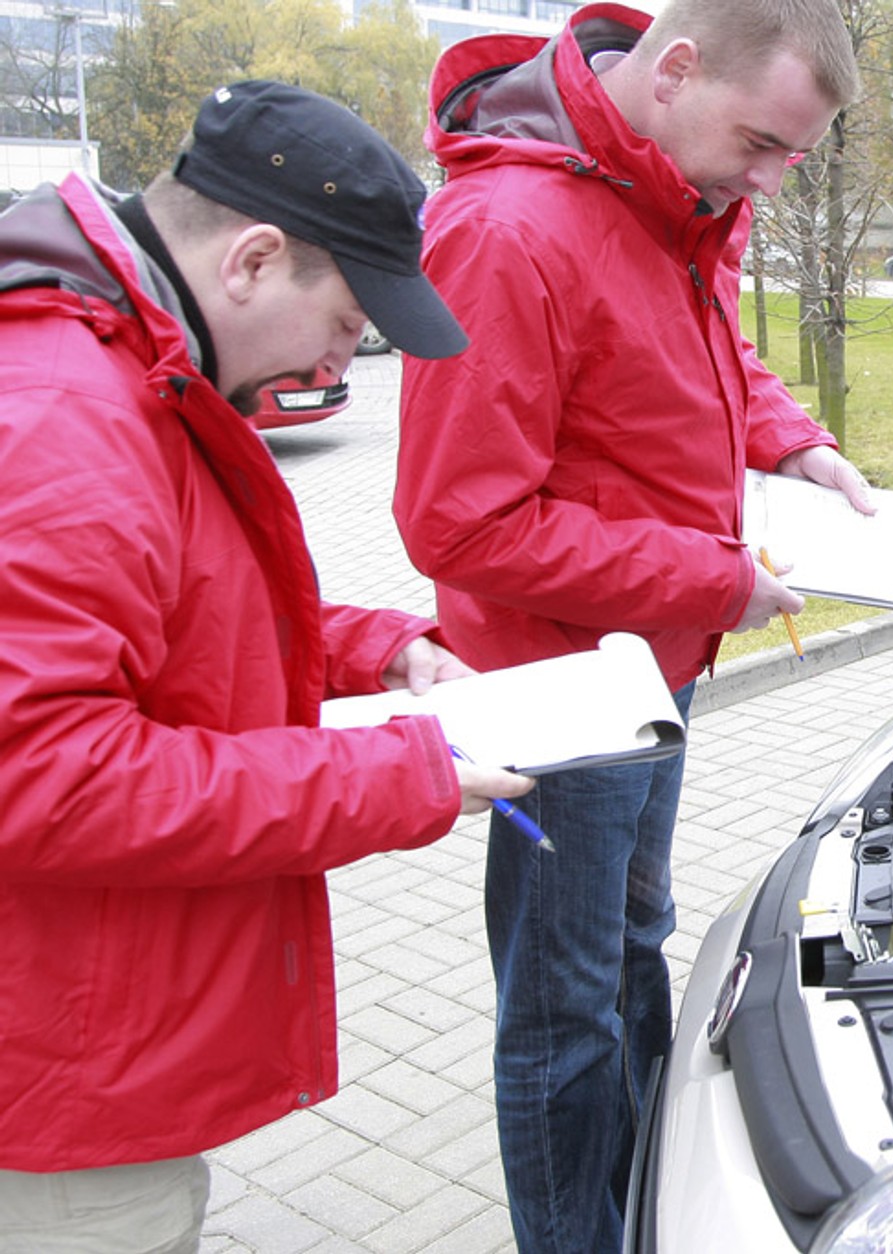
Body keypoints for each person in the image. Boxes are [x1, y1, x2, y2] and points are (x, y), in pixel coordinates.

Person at [0, 81, 534, 1251]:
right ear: (250, 260)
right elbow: (49, 776)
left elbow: (170, 605)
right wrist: (407, 774)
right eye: (349, 320)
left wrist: (373, 647)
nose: (350, 354)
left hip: (79, 1044)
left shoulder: (129, 371)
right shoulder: (64, 415)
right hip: (54, 1105)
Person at [393, 1, 869, 1248]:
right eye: (763, 144)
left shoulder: (676, 193)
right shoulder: (506, 232)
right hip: (563, 696)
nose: (769, 178)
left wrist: (790, 441)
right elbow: (458, 526)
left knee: (630, 952)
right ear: (671, 70)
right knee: (563, 1016)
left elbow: (696, 360)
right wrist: (710, 580)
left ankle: (649, 1206)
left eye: (792, 160)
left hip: (657, 670)